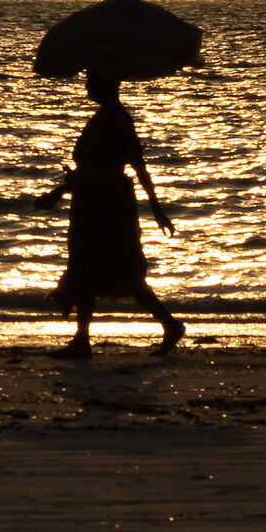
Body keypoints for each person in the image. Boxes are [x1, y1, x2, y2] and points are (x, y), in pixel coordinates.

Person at [35, 63, 183, 357]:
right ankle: (82, 340)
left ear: (107, 84)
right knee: (87, 270)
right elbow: (88, 169)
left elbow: (138, 166)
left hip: (108, 206)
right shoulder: (104, 117)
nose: (87, 87)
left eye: (92, 81)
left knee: (119, 270)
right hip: (91, 202)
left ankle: (169, 324)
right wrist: (59, 192)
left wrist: (156, 208)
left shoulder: (117, 120)